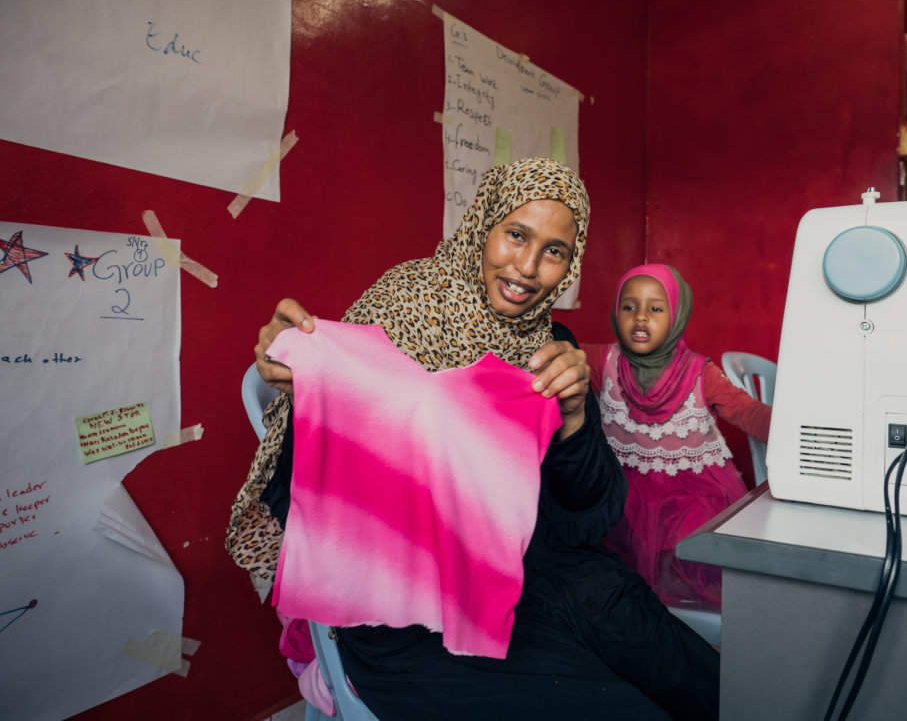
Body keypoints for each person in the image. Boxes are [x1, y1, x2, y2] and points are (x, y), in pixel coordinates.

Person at [229, 159, 719, 720]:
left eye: (555, 251)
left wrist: (576, 415)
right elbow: (316, 483)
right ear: (482, 224)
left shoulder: (551, 345)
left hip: (544, 575)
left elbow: (588, 518)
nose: (529, 268)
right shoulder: (399, 310)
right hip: (407, 609)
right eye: (516, 234)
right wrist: (305, 376)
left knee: (702, 682)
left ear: (571, 262)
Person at [596, 264, 771, 608]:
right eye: (629, 307)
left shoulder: (699, 371)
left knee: (689, 548)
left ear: (676, 315)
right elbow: (554, 356)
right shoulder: (601, 360)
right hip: (624, 495)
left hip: (693, 493)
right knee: (616, 577)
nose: (641, 317)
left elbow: (746, 410)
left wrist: (796, 430)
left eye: (656, 308)